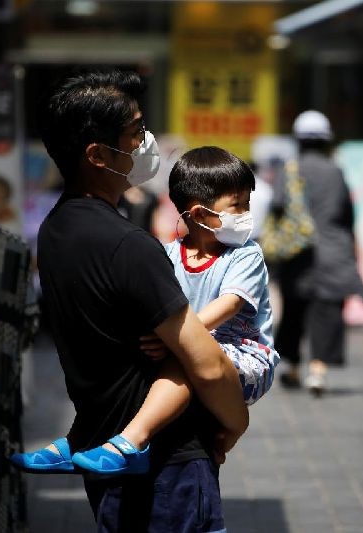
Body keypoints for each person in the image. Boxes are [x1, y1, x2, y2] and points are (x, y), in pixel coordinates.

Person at [15, 70, 249, 531]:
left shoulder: (56, 231)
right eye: (136, 132)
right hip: (169, 465)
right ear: (98, 155)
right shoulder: (128, 245)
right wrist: (234, 424)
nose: (147, 143)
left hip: (104, 454)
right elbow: (204, 363)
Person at [16, 145, 279, 477]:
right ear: (198, 214)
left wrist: (181, 338)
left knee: (187, 359)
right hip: (191, 348)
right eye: (236, 205)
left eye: (246, 204)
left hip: (247, 356)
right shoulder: (167, 254)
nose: (245, 214)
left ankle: (131, 440)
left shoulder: (246, 254)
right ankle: (83, 438)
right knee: (134, 363)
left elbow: (231, 303)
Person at [274, 110, 363, 397]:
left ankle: (291, 367)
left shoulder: (288, 170)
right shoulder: (335, 171)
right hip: (332, 252)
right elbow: (347, 213)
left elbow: (276, 205)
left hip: (297, 255)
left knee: (293, 311)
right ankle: (318, 370)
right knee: (327, 311)